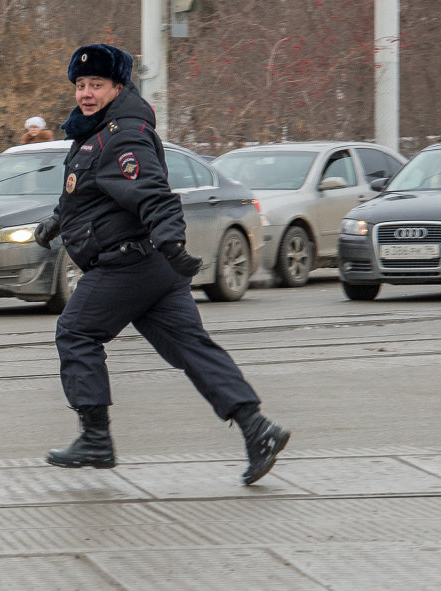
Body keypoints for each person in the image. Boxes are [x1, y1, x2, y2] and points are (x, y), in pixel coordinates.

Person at [33, 43, 289, 485]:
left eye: (96, 84)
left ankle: (95, 438)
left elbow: (152, 193)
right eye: (80, 84)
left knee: (75, 332)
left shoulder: (124, 134)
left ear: (118, 86)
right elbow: (90, 191)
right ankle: (257, 429)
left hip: (127, 265)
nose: (86, 93)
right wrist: (57, 220)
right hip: (151, 269)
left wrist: (172, 243)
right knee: (192, 348)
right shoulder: (97, 133)